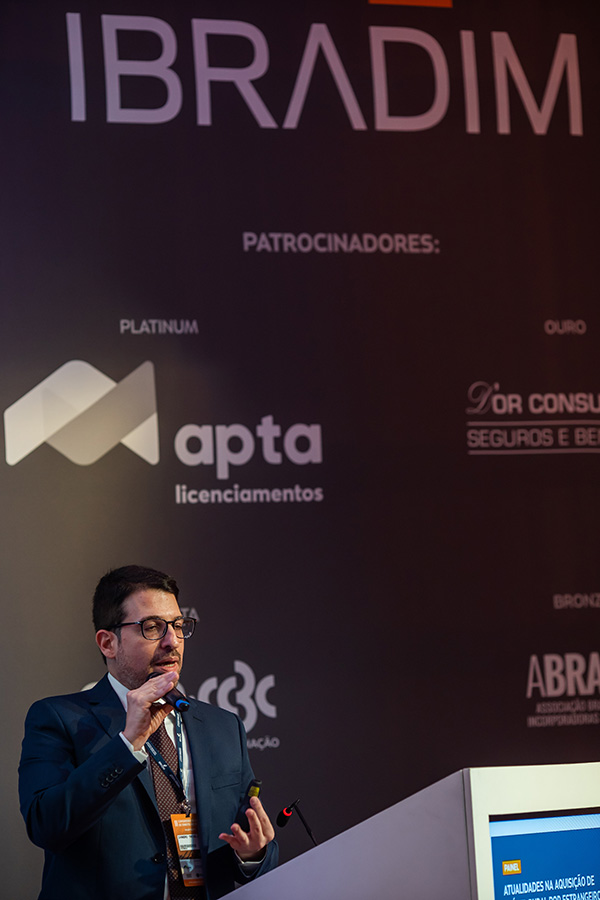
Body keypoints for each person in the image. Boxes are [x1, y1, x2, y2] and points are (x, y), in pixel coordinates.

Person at [19, 565, 278, 900]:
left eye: (178, 626)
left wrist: (253, 852)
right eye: (153, 627)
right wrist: (128, 744)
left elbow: (251, 844)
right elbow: (46, 826)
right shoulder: (59, 718)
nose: (172, 642)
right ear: (108, 643)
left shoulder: (223, 727)